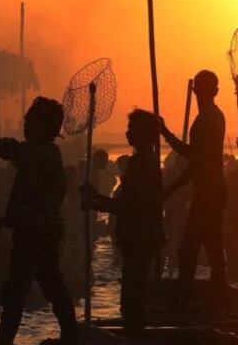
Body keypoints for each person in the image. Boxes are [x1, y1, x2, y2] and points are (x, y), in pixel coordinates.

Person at [0, 92, 78, 345]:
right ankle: (70, 335)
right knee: (48, 287)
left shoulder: (39, 153)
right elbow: (23, 206)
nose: (25, 125)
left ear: (47, 128)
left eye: (31, 122)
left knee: (18, 291)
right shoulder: (48, 153)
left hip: (36, 235)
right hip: (39, 233)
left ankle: (5, 340)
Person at [83, 109, 164, 335]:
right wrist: (97, 198)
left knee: (132, 294)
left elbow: (133, 207)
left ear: (143, 133)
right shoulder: (146, 160)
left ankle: (134, 335)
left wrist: (97, 203)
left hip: (140, 235)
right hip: (141, 235)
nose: (127, 133)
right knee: (133, 291)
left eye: (131, 129)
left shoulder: (142, 163)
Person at [160, 70, 227, 311]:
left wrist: (166, 134)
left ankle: (183, 301)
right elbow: (197, 162)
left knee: (189, 249)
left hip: (210, 192)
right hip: (211, 190)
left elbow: (194, 158)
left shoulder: (208, 119)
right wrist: (171, 189)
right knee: (211, 247)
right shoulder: (211, 117)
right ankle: (218, 297)